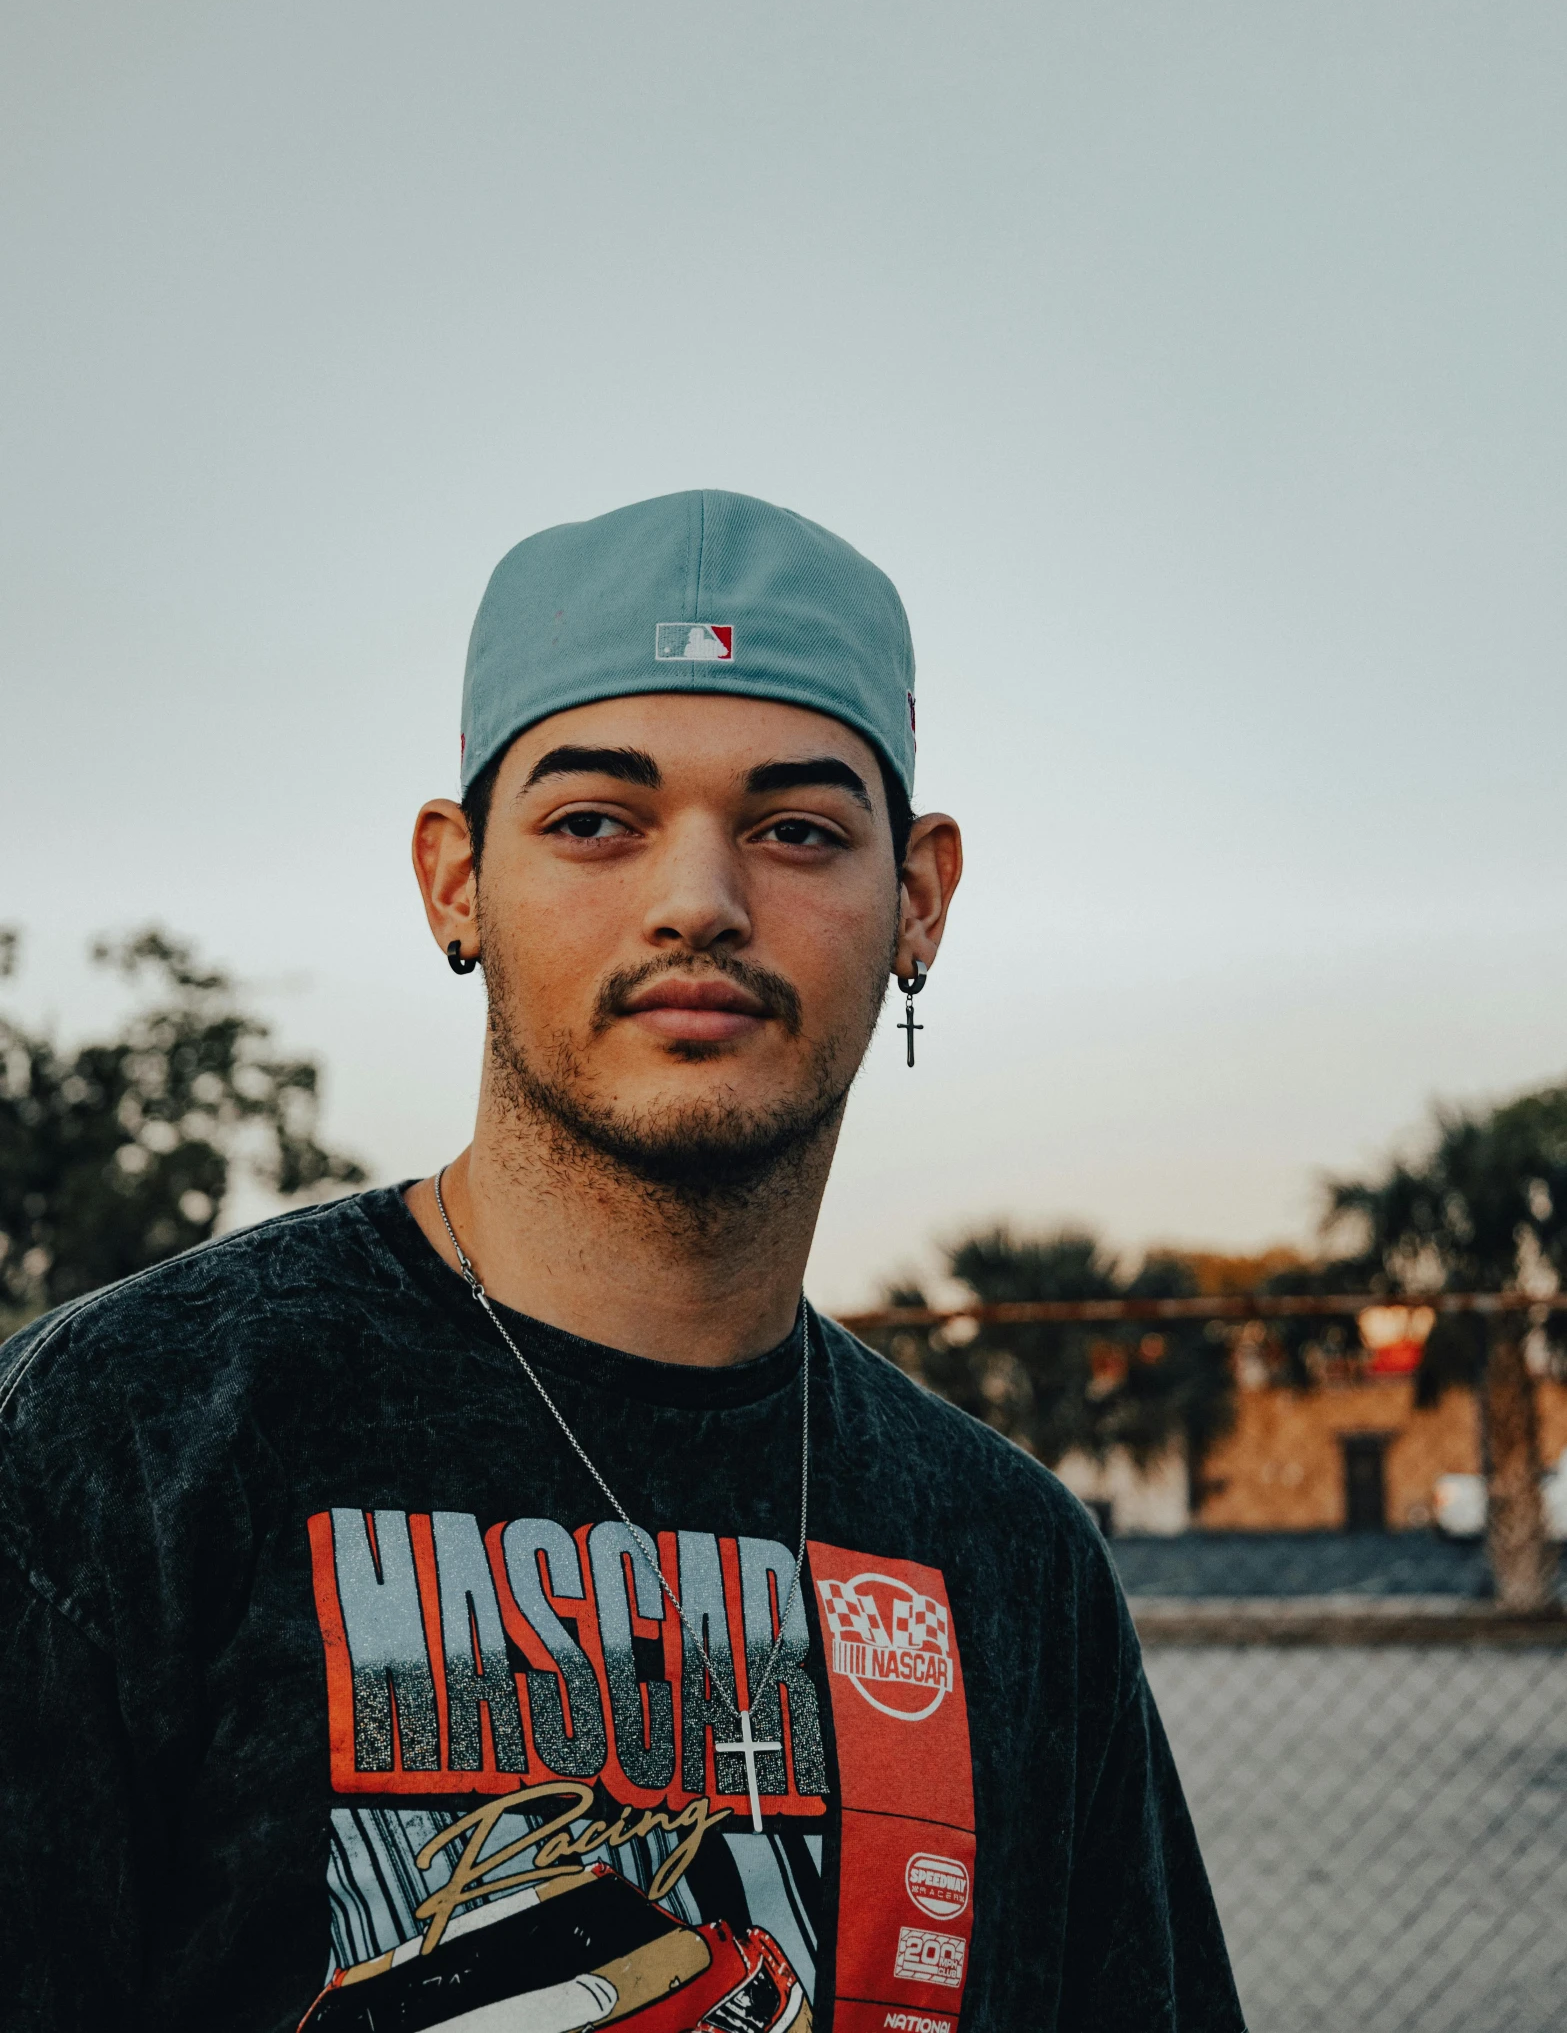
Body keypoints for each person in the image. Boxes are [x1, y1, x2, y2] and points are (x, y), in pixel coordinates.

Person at [0, 491, 1244, 2033]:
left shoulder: (1008, 1559)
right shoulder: (126, 1436)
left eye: (795, 828)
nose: (697, 903)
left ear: (916, 896)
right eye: (596, 819)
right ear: (456, 877)